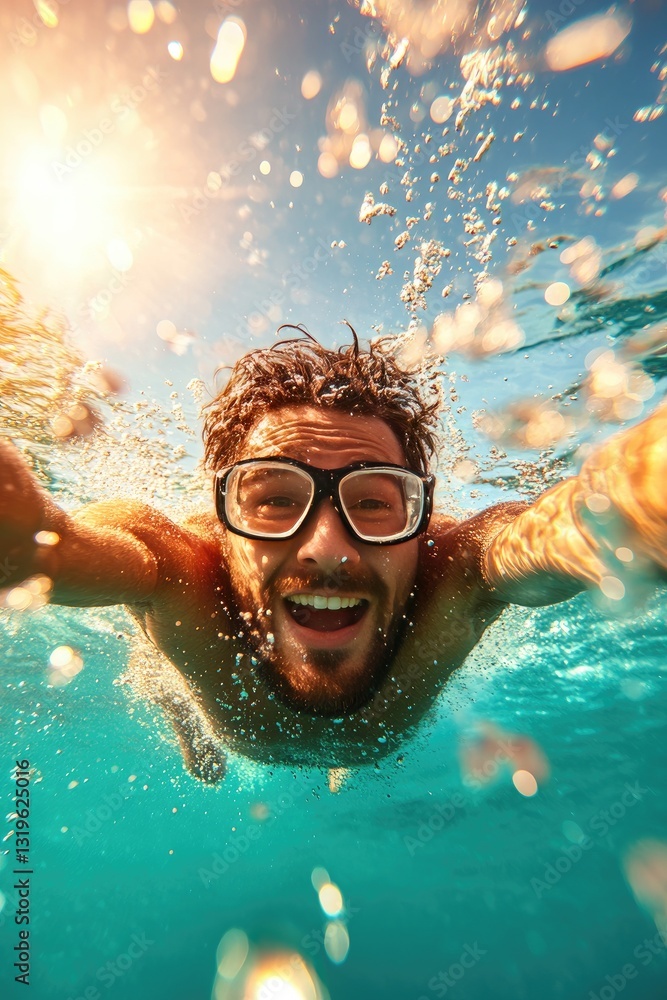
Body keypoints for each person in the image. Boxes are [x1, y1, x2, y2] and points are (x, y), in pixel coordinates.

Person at [1, 329, 665, 783]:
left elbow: (554, 529)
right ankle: (189, 722)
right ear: (222, 524)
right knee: (185, 716)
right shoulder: (180, 568)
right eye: (272, 499)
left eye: (374, 502)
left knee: (351, 757)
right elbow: (62, 551)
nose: (326, 548)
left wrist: (636, 502)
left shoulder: (456, 573)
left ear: (419, 521)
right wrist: (24, 545)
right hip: (207, 690)